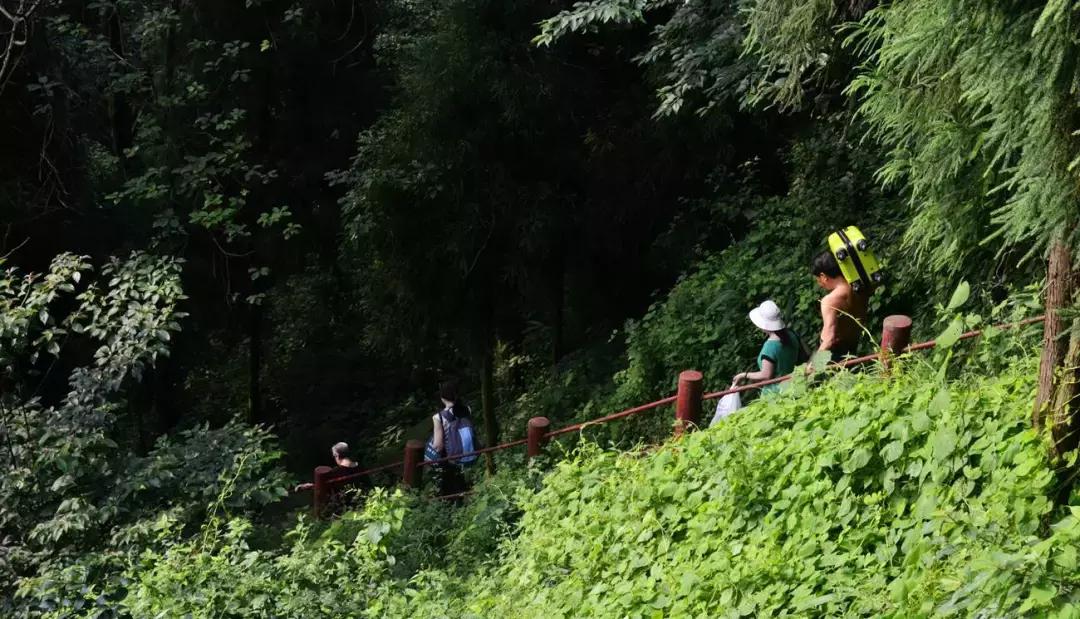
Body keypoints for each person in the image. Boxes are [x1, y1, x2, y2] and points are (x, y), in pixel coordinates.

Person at [731, 300, 802, 393]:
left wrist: (743, 375)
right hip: (796, 386)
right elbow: (807, 354)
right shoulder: (792, 334)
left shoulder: (770, 347)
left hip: (775, 394)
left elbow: (766, 375)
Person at [811, 250, 868, 361]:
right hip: (851, 350)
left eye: (818, 279)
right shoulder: (858, 289)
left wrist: (814, 366)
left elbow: (829, 339)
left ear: (823, 276)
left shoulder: (829, 301)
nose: (819, 284)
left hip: (832, 355)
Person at [425, 381, 470, 498]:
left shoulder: (438, 417)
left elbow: (438, 446)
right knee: (461, 485)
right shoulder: (467, 410)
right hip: (466, 453)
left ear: (442, 397)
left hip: (450, 458)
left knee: (449, 490)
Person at [294, 442, 360, 492]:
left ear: (337, 455)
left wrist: (305, 486)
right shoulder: (359, 465)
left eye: (334, 456)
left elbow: (320, 486)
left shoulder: (336, 472)